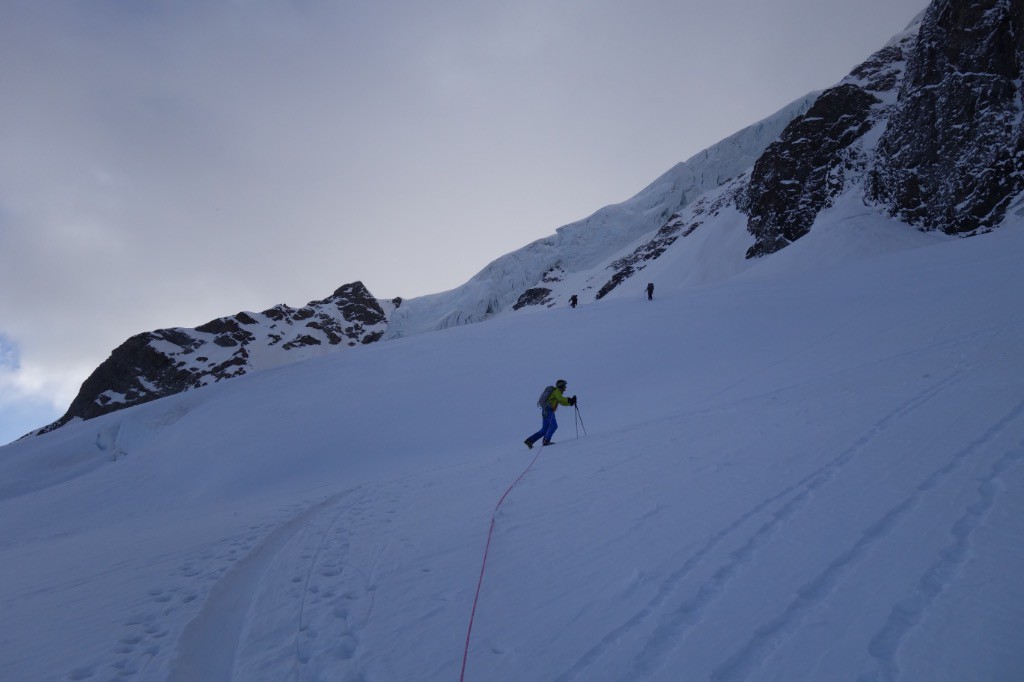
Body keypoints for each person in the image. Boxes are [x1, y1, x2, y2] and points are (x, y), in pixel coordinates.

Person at [524, 379, 577, 448]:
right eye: (564, 386)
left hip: (545, 411)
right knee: (554, 426)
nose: (565, 387)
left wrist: (570, 403)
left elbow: (562, 402)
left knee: (544, 430)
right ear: (561, 386)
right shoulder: (557, 391)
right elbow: (560, 399)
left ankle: (529, 440)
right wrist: (570, 399)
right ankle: (546, 441)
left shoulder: (557, 392)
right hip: (548, 411)